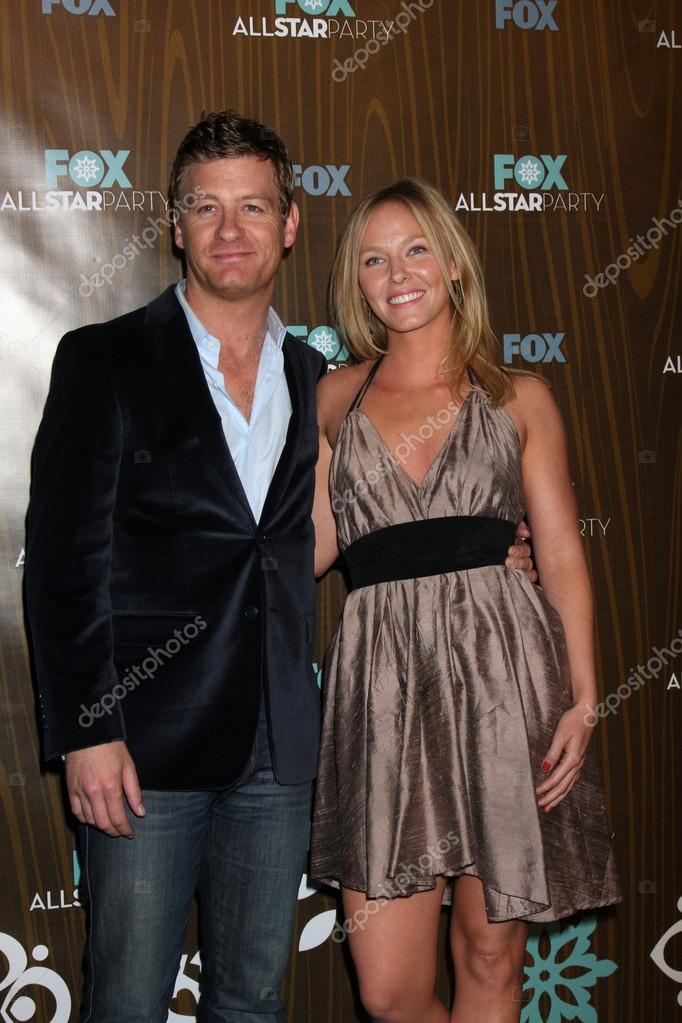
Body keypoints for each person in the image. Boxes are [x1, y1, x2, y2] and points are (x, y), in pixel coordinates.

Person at [24, 111, 535, 1022]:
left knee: (253, 1000)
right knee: (128, 1000)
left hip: (281, 750)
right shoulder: (103, 359)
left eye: (253, 206)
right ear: (176, 225)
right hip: (144, 748)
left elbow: (338, 529)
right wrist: (87, 729)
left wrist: (479, 545)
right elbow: (63, 565)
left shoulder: (319, 380)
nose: (230, 230)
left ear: (290, 224)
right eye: (207, 208)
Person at [310, 177, 622, 1023]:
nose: (397, 273)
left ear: (453, 263)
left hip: (502, 680)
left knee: (490, 952)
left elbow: (561, 553)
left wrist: (583, 696)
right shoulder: (334, 399)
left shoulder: (518, 396)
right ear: (356, 281)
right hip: (383, 689)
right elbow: (302, 550)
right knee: (389, 990)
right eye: (375, 259)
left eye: (416, 249)